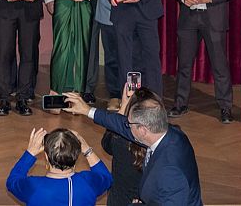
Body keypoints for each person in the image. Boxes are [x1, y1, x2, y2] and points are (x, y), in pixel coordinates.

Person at [64, 87, 203, 206]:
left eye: (129, 124)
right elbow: (121, 125)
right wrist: (87, 110)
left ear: (143, 130)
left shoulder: (169, 173)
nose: (126, 126)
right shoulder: (169, 133)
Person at [6, 128, 111, 206]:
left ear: (46, 157)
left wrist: (30, 153)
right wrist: (87, 150)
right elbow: (106, 177)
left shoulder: (34, 186)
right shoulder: (88, 181)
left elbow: (12, 182)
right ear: (77, 155)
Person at [100, 89, 152, 206]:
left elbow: (106, 143)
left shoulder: (118, 139)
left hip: (119, 201)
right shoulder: (160, 142)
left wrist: (123, 106)